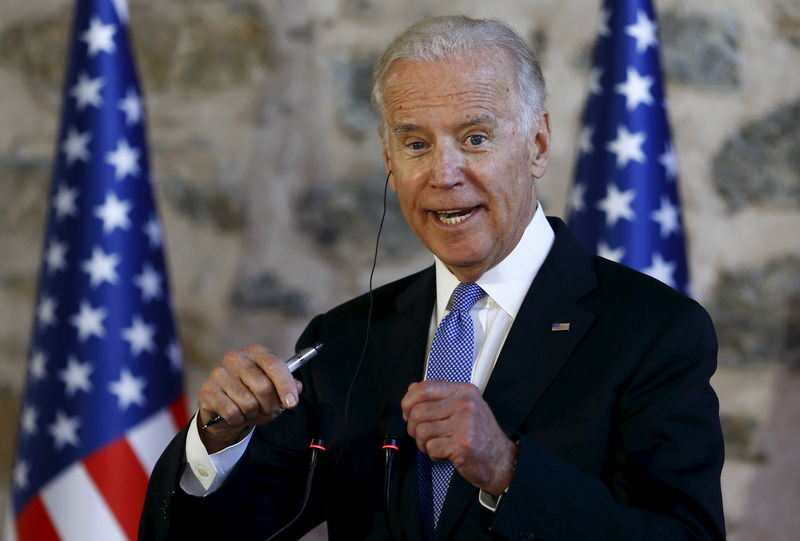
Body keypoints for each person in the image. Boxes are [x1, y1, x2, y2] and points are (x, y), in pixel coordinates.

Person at [140, 15, 725, 541]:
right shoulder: (345, 341)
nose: (444, 174)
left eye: (474, 138)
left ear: (538, 146)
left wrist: (508, 473)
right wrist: (217, 440)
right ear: (389, 161)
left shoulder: (652, 330)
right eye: (416, 143)